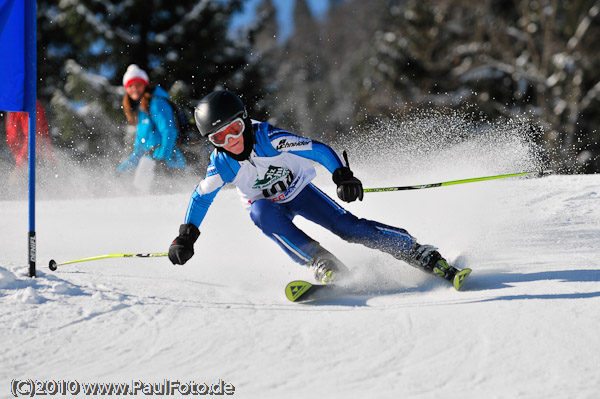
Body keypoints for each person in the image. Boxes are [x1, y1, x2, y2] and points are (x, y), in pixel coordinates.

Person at [168, 90, 470, 289]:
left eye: (234, 129)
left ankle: (417, 252)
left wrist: (342, 174)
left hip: (301, 192)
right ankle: (322, 262)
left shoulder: (269, 137)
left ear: (245, 121)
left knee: (350, 229)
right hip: (268, 206)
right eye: (220, 138)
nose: (231, 140)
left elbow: (317, 150)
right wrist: (186, 235)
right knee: (260, 211)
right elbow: (201, 197)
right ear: (212, 143)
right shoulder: (221, 164)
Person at [119, 64, 186, 177]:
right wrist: (120, 172)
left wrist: (161, 159)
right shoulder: (141, 113)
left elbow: (169, 131)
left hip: (171, 165)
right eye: (130, 86)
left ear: (145, 85)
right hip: (153, 167)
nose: (134, 88)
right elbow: (138, 151)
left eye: (138, 84)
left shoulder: (156, 103)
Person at [5, 100, 55, 181]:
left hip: (39, 163)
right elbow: (14, 140)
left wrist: (19, 168)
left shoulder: (27, 104)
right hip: (25, 164)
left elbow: (33, 137)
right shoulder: (10, 109)